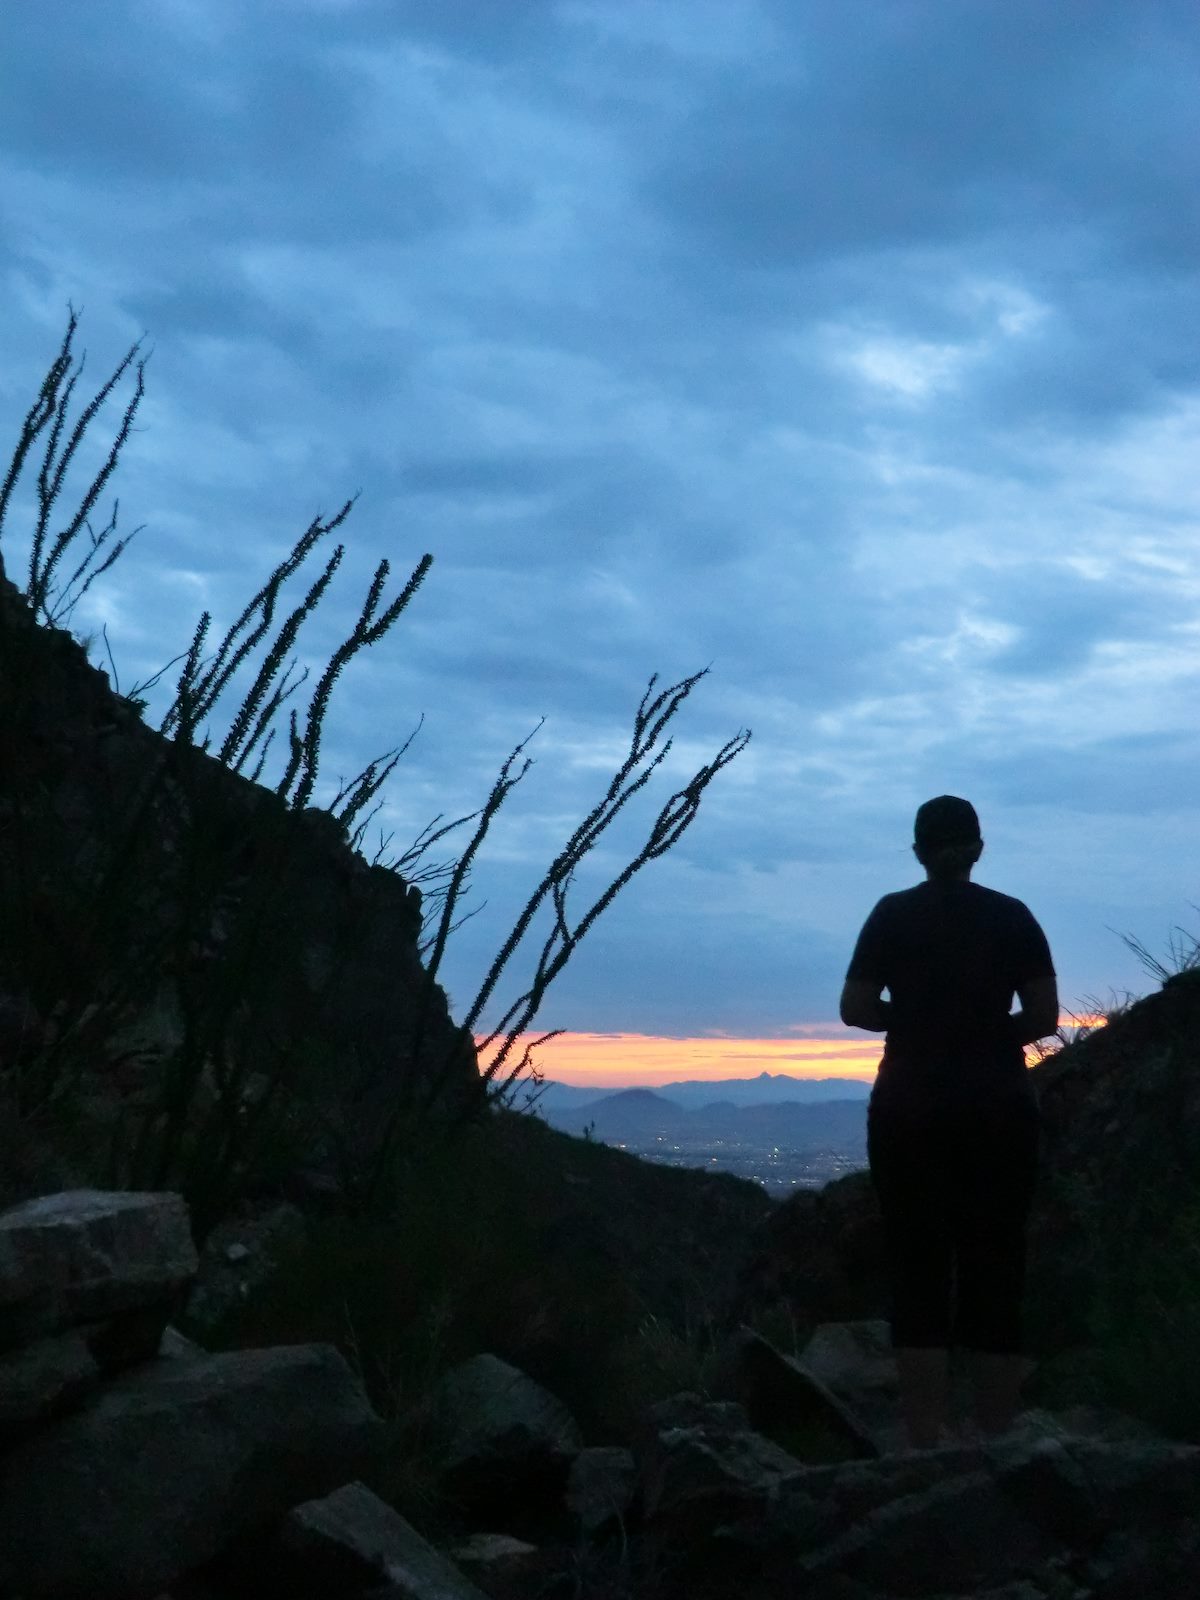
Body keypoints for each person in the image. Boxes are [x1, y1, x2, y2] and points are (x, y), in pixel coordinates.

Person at [840, 796, 1058, 1452]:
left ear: (917, 851)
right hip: (999, 1105)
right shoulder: (1013, 917)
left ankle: (923, 1439)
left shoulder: (891, 915)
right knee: (998, 1262)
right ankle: (995, 1436)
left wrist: (911, 1024)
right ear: (978, 848)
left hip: (908, 1106)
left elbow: (854, 1007)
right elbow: (1045, 1017)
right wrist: (990, 1037)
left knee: (917, 1264)